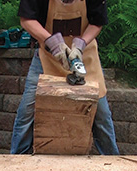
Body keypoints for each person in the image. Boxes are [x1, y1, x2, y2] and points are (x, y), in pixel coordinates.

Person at [10, 0, 119, 155]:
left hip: (83, 55)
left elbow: (97, 22)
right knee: (27, 111)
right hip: (47, 57)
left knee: (101, 112)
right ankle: (16, 162)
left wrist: (81, 44)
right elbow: (27, 20)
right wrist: (52, 42)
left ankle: (113, 164)